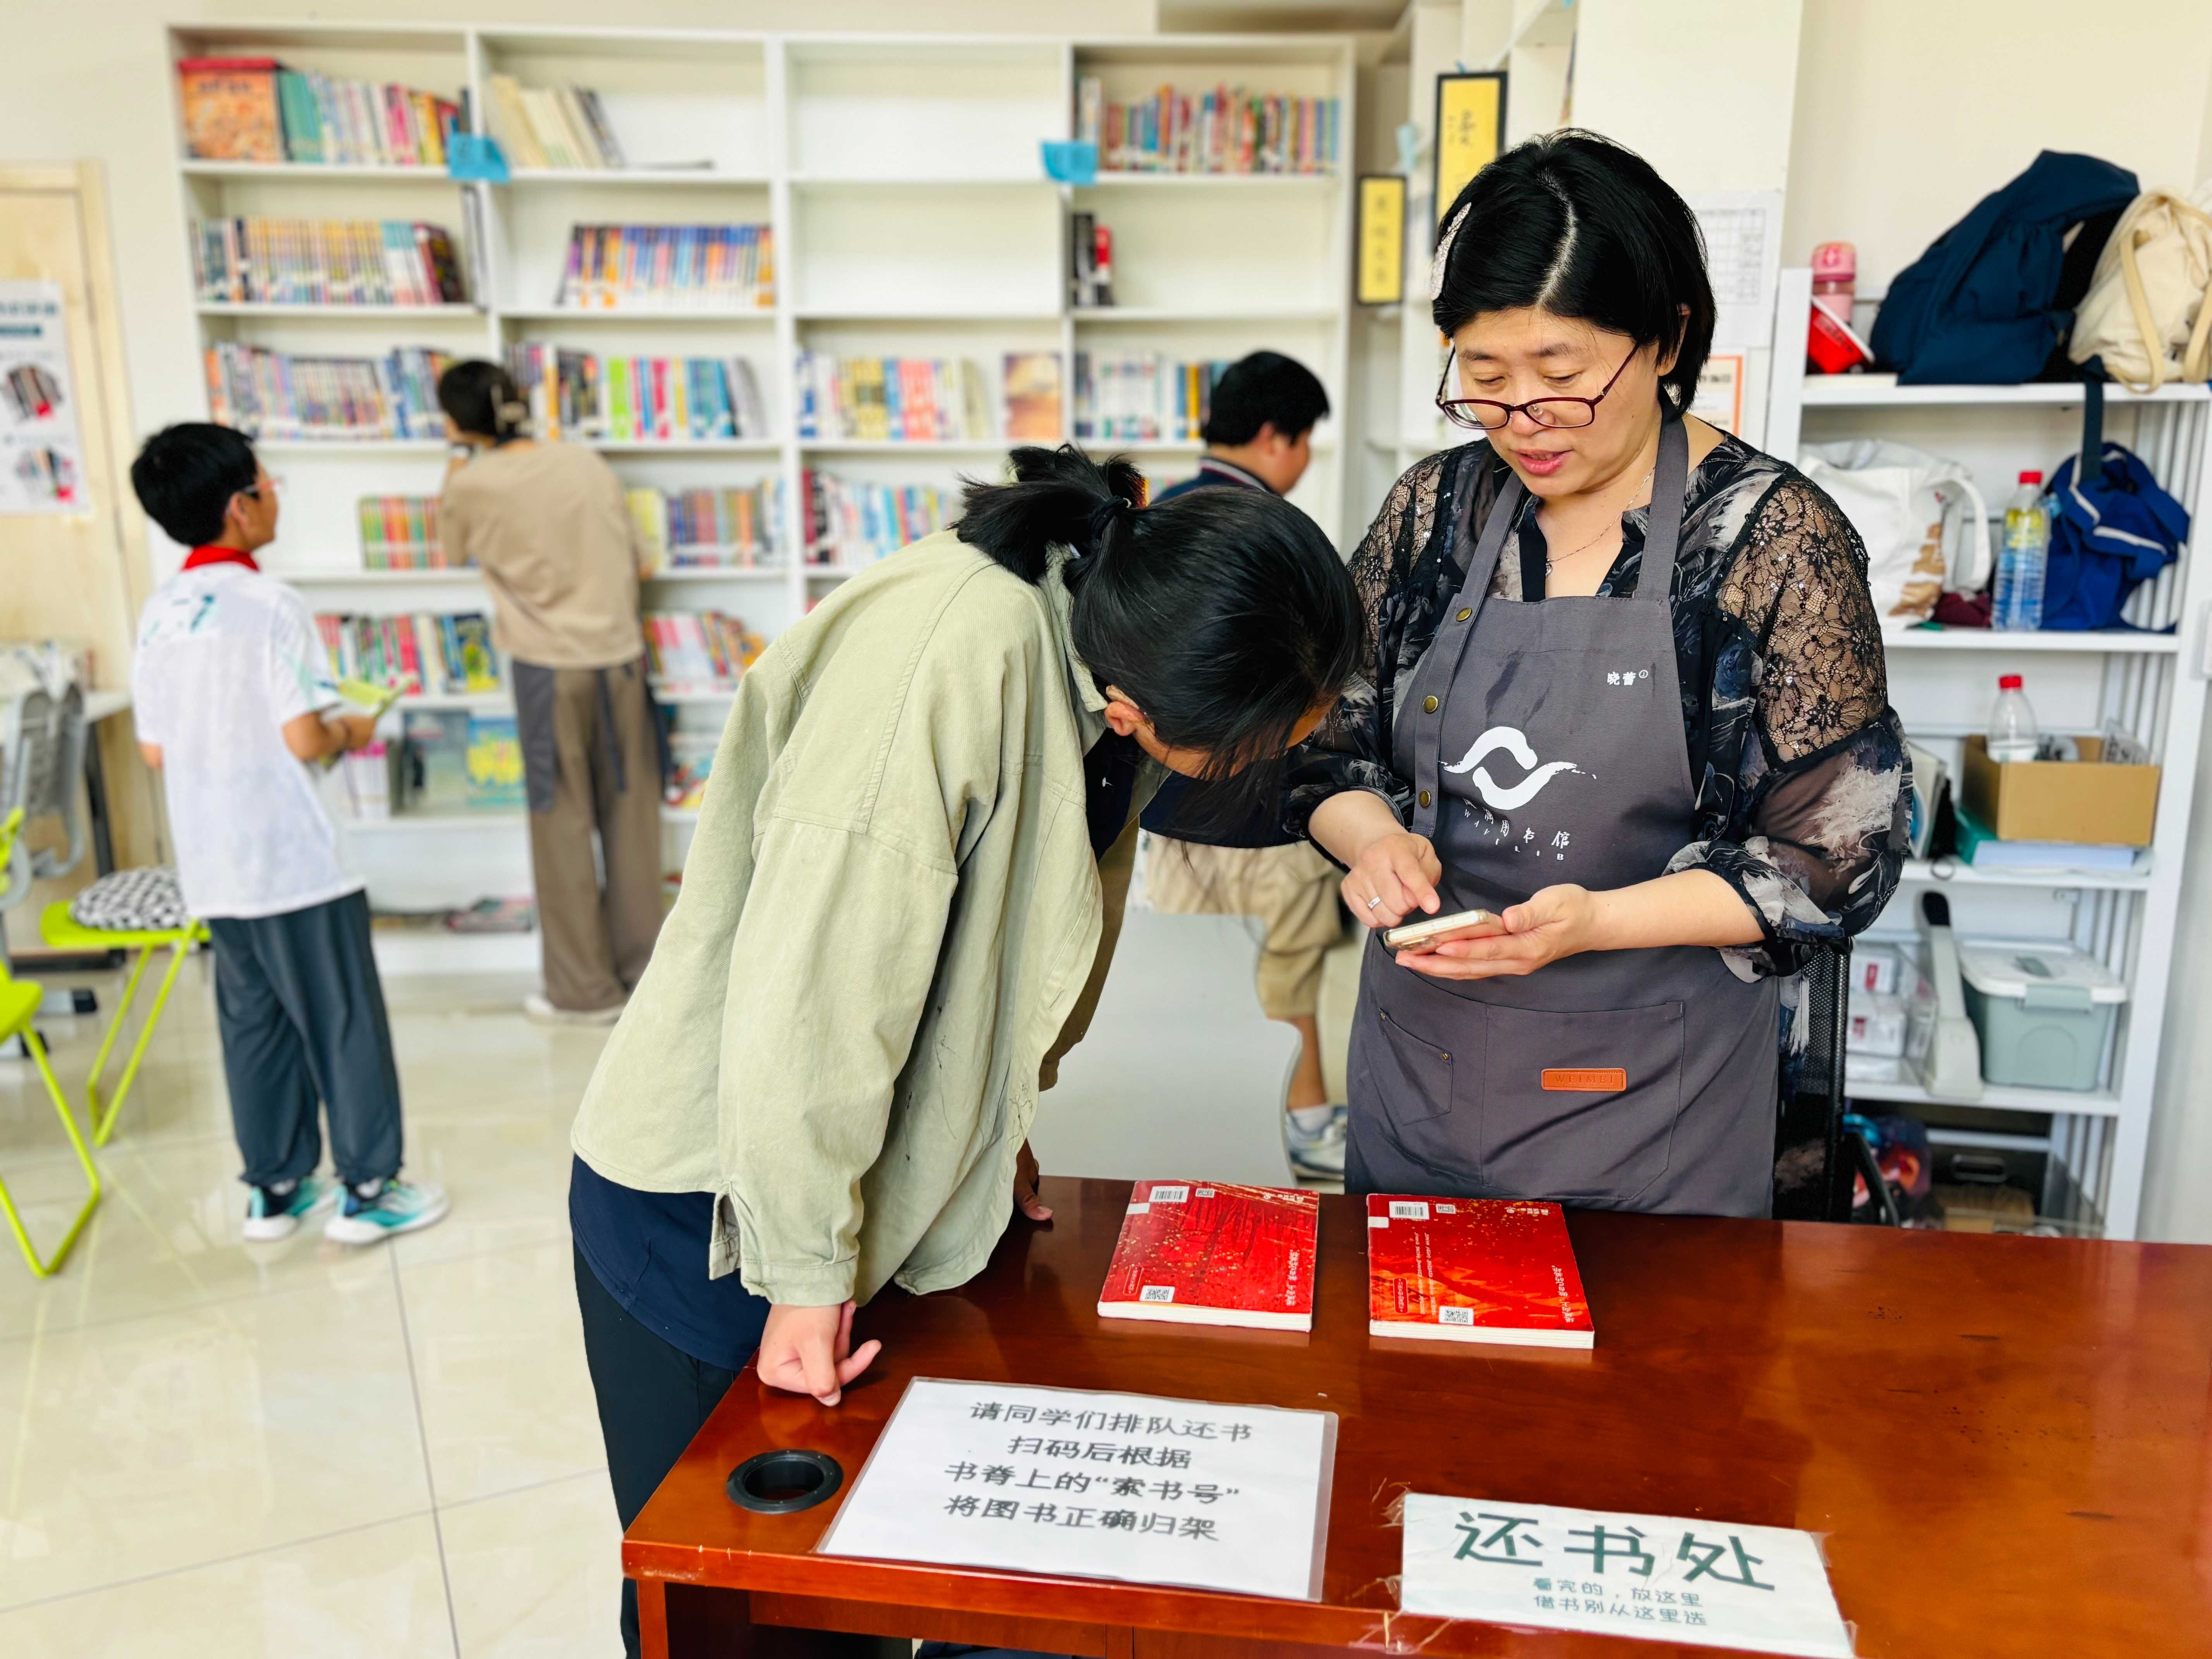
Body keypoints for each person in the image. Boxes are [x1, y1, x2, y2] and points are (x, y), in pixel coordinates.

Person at [567, 445, 1358, 1657]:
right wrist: (805, 1270)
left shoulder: (1098, 639)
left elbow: (1004, 937)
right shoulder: (947, 657)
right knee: (746, 1607)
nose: (1267, 765)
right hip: (722, 1206)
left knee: (865, 1587)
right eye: (1258, 748)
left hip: (848, 1185)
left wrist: (995, 1125)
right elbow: (819, 998)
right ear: (1147, 710)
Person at [1287, 131, 1909, 1214]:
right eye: (1485, 379)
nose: (1522, 422)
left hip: (1657, 1100)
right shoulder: (1436, 511)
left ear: (1667, 340)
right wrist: (1371, 838)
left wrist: (1596, 922)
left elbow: (1833, 861)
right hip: (1426, 1068)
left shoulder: (1771, 542)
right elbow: (1327, 739)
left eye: (1563, 378)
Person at [128, 423, 448, 1245]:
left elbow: (155, 750)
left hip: (213, 862)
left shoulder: (159, 613)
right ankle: (369, 1190)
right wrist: (353, 727)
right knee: (342, 1019)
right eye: (268, 484)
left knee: (253, 1025)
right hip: (294, 859)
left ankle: (275, 1189)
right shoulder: (272, 605)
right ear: (240, 507)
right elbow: (305, 738)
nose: (275, 496)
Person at [1139, 351, 1350, 1177]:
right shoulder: (1274, 538)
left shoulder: (1159, 527)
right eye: (1306, 442)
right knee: (1285, 982)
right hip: (1269, 815)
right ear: (1274, 437)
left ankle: (1201, 1136)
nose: (1304, 461)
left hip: (1170, 817)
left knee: (1196, 986)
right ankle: (1307, 1126)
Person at [435, 361, 661, 1026]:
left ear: (456, 422)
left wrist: (455, 466)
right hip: (621, 659)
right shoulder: (584, 462)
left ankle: (583, 992)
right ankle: (650, 981)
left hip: (548, 669)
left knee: (561, 824)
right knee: (633, 823)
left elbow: (452, 550)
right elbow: (642, 560)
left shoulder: (471, 484)